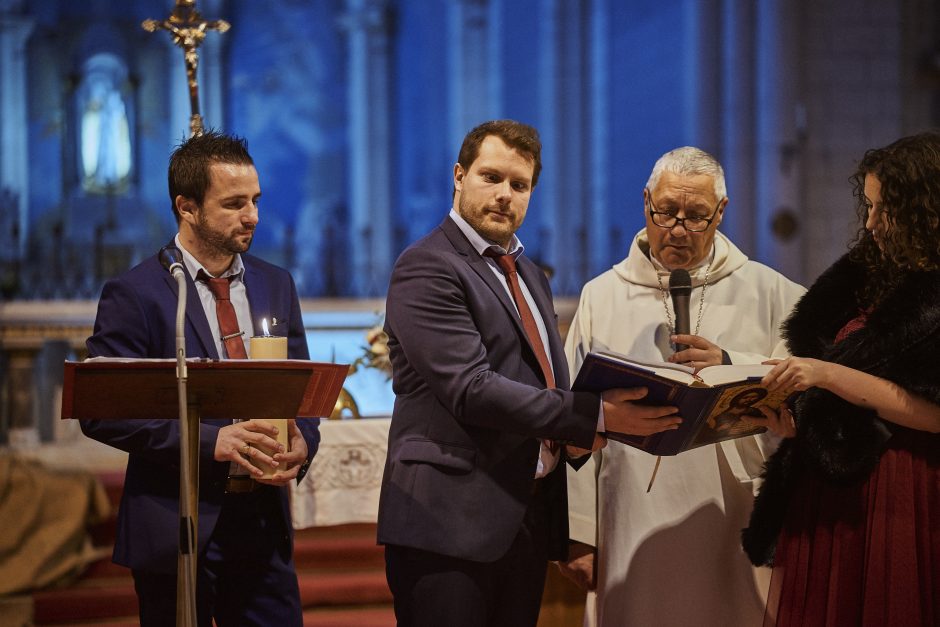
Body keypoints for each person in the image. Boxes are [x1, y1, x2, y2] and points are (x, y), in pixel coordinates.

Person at [376, 119, 682, 627]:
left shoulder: (529, 273)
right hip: (447, 523)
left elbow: (543, 380)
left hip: (521, 515)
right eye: (490, 177)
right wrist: (594, 416)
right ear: (459, 175)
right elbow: (471, 389)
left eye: (519, 185)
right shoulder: (427, 266)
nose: (504, 195)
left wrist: (575, 438)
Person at [80, 130, 317, 626]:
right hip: (177, 519)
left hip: (261, 520)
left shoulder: (276, 283)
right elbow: (102, 410)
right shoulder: (138, 292)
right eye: (233, 204)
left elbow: (301, 388)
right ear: (186, 208)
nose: (252, 215)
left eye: (255, 200)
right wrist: (210, 440)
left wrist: (302, 437)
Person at [561, 146, 805, 626]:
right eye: (666, 211)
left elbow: (810, 386)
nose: (677, 229)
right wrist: (579, 532)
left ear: (721, 213)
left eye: (696, 217)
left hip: (733, 511)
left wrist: (734, 364)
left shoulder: (772, 292)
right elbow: (574, 418)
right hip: (630, 510)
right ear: (645, 200)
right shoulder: (601, 295)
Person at [743, 132, 940, 626]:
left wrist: (829, 376)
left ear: (925, 209)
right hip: (831, 479)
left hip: (901, 486)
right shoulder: (869, 271)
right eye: (868, 206)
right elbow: (828, 365)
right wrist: (795, 412)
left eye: (884, 210)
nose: (870, 223)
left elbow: (933, 413)